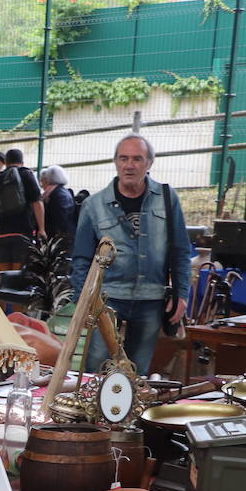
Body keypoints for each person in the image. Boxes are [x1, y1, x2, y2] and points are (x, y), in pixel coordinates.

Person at [70, 135, 190, 375]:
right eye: (123, 158)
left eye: (137, 159)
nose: (130, 165)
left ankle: (132, 413)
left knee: (137, 372)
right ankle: (93, 412)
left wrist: (182, 295)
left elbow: (181, 251)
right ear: (115, 162)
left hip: (151, 298)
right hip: (106, 299)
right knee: (97, 370)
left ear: (149, 163)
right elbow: (82, 259)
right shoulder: (94, 205)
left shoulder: (167, 200)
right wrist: (82, 302)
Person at [0, 148, 44, 272]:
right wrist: (42, 229)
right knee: (17, 274)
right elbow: (37, 202)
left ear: (6, 163)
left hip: (2, 234)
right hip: (22, 233)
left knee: (3, 273)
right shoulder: (26, 174)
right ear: (22, 162)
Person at [40, 165, 77, 254]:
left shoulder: (58, 195)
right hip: (60, 237)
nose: (41, 183)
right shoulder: (55, 193)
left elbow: (59, 218)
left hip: (62, 238)